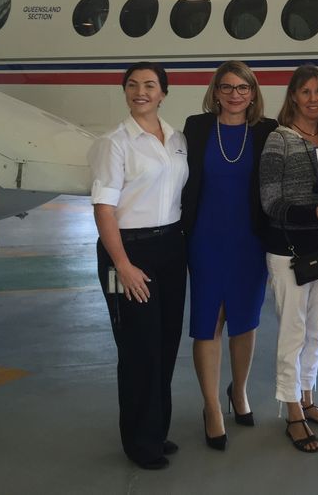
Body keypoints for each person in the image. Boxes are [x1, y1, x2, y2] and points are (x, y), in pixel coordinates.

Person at [87, 61, 188, 470]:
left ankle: (156, 431)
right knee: (138, 351)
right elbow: (104, 208)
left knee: (164, 346)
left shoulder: (177, 138)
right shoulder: (114, 143)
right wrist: (123, 265)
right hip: (130, 252)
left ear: (164, 92)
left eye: (149, 85)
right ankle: (139, 443)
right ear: (125, 92)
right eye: (132, 85)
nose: (140, 91)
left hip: (170, 248)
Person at [180, 61, 277, 450]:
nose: (235, 94)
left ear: (253, 93)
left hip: (249, 240)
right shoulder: (198, 128)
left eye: (243, 88)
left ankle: (238, 392)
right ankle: (211, 407)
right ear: (215, 91)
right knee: (209, 321)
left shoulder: (266, 131)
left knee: (245, 321)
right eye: (227, 87)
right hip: (205, 238)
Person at [259, 64, 318, 453]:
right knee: (292, 333)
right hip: (290, 250)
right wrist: (314, 213)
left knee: (316, 330)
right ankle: (292, 410)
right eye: (306, 91)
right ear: (293, 96)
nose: (314, 99)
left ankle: (308, 397)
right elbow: (270, 202)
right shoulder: (279, 140)